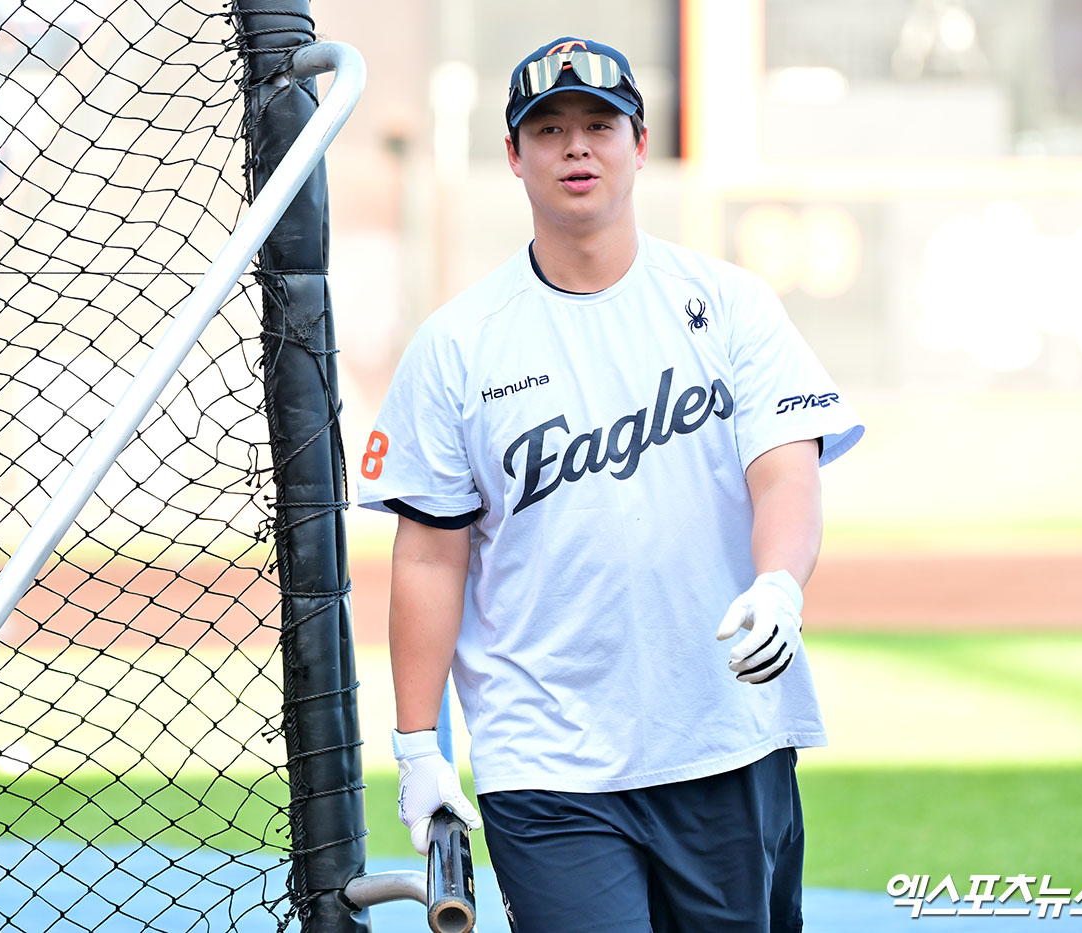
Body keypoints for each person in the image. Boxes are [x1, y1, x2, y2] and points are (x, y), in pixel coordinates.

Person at [357, 35, 864, 932]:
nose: (576, 148)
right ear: (514, 155)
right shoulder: (457, 344)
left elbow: (785, 473)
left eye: (599, 125)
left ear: (639, 141)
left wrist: (779, 584)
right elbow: (430, 554)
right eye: (548, 129)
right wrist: (417, 745)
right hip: (543, 757)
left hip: (726, 732)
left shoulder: (731, 304)